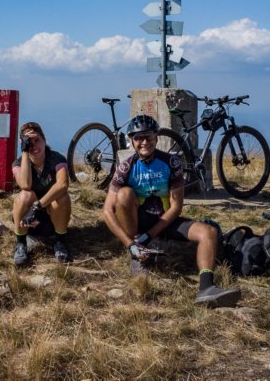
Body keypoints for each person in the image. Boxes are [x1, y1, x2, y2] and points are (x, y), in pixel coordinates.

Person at [102, 114, 241, 308]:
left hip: (165, 221)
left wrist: (150, 235)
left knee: (209, 232)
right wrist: (130, 243)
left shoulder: (171, 162)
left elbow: (176, 207)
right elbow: (107, 211)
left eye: (148, 136)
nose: (144, 142)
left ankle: (206, 287)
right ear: (131, 140)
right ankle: (137, 254)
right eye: (138, 138)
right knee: (124, 194)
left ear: (156, 137)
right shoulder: (126, 167)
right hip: (137, 224)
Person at [11, 121, 72, 266]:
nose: (34, 146)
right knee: (25, 195)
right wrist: (25, 152)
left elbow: (63, 184)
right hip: (27, 222)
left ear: (44, 140)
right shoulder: (18, 164)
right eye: (29, 142)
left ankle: (60, 242)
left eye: (37, 140)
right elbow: (25, 185)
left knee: (62, 197)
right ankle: (21, 244)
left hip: (51, 220)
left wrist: (37, 206)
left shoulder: (57, 159)